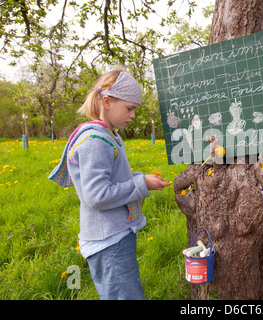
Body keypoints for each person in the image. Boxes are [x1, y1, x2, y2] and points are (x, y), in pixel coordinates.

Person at [49, 68, 171, 300]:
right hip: (108, 242)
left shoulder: (109, 134)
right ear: (106, 102)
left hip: (115, 236)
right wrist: (141, 184)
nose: (133, 115)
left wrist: (142, 179)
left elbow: (113, 179)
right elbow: (97, 196)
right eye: (129, 108)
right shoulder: (95, 140)